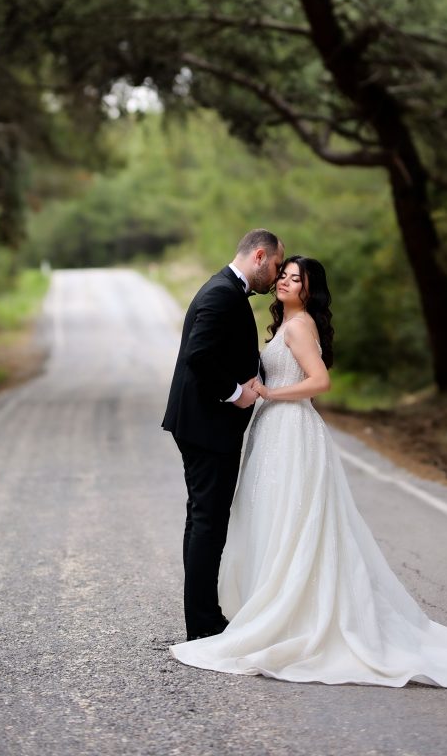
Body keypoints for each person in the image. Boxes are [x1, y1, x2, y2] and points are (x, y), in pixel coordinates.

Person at [170, 256, 447, 686]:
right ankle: (271, 606)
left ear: (310, 291)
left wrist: (270, 392)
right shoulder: (285, 325)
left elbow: (320, 381)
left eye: (296, 280)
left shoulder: (300, 325)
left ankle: (293, 614)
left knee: (295, 522)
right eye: (285, 276)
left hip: (292, 430)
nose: (285, 283)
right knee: (274, 521)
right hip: (273, 430)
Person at [162, 228, 284, 641]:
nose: (278, 274)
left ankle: (202, 617)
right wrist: (236, 394)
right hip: (206, 424)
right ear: (260, 256)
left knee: (203, 520)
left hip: (203, 423)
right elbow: (199, 355)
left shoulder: (226, 289)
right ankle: (204, 624)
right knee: (207, 521)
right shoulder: (220, 293)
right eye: (278, 266)